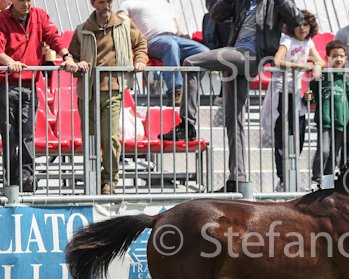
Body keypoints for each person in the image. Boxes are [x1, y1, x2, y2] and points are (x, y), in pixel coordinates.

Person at [159, 0, 305, 194]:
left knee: (191, 62)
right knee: (233, 120)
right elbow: (216, 15)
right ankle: (237, 179)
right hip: (235, 56)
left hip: (251, 55)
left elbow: (297, 20)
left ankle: (187, 124)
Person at [70, 0, 148, 195]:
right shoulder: (81, 30)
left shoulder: (124, 24)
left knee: (110, 137)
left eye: (109, 1)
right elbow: (71, 56)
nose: (106, 5)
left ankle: (109, 181)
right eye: (102, 2)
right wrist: (76, 65)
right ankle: (93, 179)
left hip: (113, 90)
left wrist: (140, 60)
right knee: (90, 138)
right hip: (88, 92)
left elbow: (140, 43)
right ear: (93, 4)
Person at [0, 0, 78, 194]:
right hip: (6, 85)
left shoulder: (40, 15)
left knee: (27, 135)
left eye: (29, 0)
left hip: (29, 85)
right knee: (10, 136)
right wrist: (9, 61)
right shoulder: (2, 19)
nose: (26, 4)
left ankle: (26, 179)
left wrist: (66, 56)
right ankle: (12, 183)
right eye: (22, 0)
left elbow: (53, 36)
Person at [260, 9, 322, 192]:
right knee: (282, 137)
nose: (302, 28)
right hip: (282, 91)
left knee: (299, 136)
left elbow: (320, 61)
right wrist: (300, 65)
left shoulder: (308, 42)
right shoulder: (287, 40)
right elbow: (277, 61)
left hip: (297, 93)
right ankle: (283, 179)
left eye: (306, 25)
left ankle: (291, 177)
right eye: (299, 25)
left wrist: (317, 66)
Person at [118, 0, 209, 106]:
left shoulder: (164, 3)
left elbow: (175, 23)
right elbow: (120, 22)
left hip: (175, 37)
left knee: (204, 53)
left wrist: (182, 33)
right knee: (170, 45)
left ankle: (188, 90)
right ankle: (175, 91)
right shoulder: (129, 3)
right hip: (152, 40)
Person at [307, 40, 349, 190]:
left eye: (341, 56)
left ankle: (327, 183)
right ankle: (316, 180)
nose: (338, 59)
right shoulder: (322, 77)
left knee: (333, 155)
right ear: (327, 58)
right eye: (335, 56)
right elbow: (313, 95)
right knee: (324, 150)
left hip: (341, 123)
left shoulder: (347, 80)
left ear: (346, 58)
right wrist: (308, 97)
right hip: (325, 121)